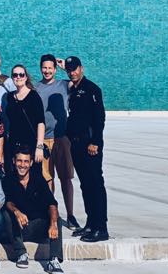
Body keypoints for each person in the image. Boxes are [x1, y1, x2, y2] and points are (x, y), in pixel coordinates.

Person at [64, 56, 108, 242]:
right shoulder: (74, 89)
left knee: (95, 184)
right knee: (85, 185)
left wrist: (95, 142)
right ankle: (91, 223)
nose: (72, 72)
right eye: (68, 70)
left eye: (74, 69)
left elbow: (99, 118)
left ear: (81, 68)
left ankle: (101, 227)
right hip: (76, 144)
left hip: (90, 144)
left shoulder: (91, 89)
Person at [2, 147, 63, 272]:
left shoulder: (38, 179)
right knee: (6, 214)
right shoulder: (8, 179)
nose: (22, 165)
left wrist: (53, 224)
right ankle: (21, 253)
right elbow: (6, 201)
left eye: (25, 161)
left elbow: (52, 203)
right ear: (14, 161)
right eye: (19, 161)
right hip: (17, 229)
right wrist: (17, 212)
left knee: (57, 218)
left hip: (37, 227)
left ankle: (54, 260)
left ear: (30, 163)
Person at [37, 55, 77, 229]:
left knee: (65, 178)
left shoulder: (63, 85)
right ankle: (51, 213)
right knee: (47, 179)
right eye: (44, 68)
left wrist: (65, 68)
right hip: (43, 139)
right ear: (40, 68)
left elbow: (79, 82)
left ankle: (70, 215)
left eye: (50, 68)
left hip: (62, 138)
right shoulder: (36, 88)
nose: (47, 71)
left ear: (54, 68)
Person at [1, 64, 44, 177]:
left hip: (31, 144)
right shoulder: (9, 97)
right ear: (12, 78)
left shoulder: (34, 96)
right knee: (15, 177)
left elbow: (41, 122)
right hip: (14, 144)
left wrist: (39, 147)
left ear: (25, 77)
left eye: (21, 74)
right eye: (15, 75)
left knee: (34, 177)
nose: (18, 77)